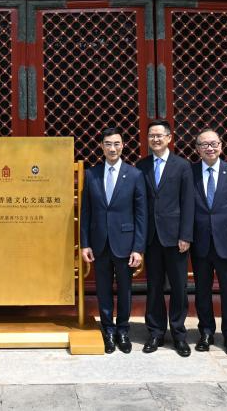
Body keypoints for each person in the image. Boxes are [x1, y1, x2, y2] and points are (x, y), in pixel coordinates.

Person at [81, 128, 146, 354]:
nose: (112, 148)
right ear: (101, 146)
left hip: (125, 243)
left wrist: (138, 247)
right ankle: (108, 330)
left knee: (125, 289)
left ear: (123, 145)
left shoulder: (134, 175)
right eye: (108, 144)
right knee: (103, 289)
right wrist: (85, 243)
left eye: (116, 144)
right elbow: (86, 212)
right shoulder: (91, 174)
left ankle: (123, 330)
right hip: (99, 243)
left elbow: (141, 214)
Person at [135, 119, 194, 356]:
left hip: (176, 237)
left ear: (169, 138)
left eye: (160, 135)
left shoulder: (182, 166)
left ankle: (179, 334)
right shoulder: (141, 166)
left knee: (179, 287)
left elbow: (188, 203)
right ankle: (155, 332)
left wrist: (186, 235)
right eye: (151, 136)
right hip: (152, 237)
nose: (155, 139)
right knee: (154, 287)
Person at [189, 129, 227, 358]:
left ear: (221, 146)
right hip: (200, 240)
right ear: (197, 149)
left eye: (214, 143)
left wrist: (225, 225)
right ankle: (206, 332)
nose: (209, 148)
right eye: (204, 144)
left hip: (226, 239)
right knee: (202, 290)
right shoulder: (190, 172)